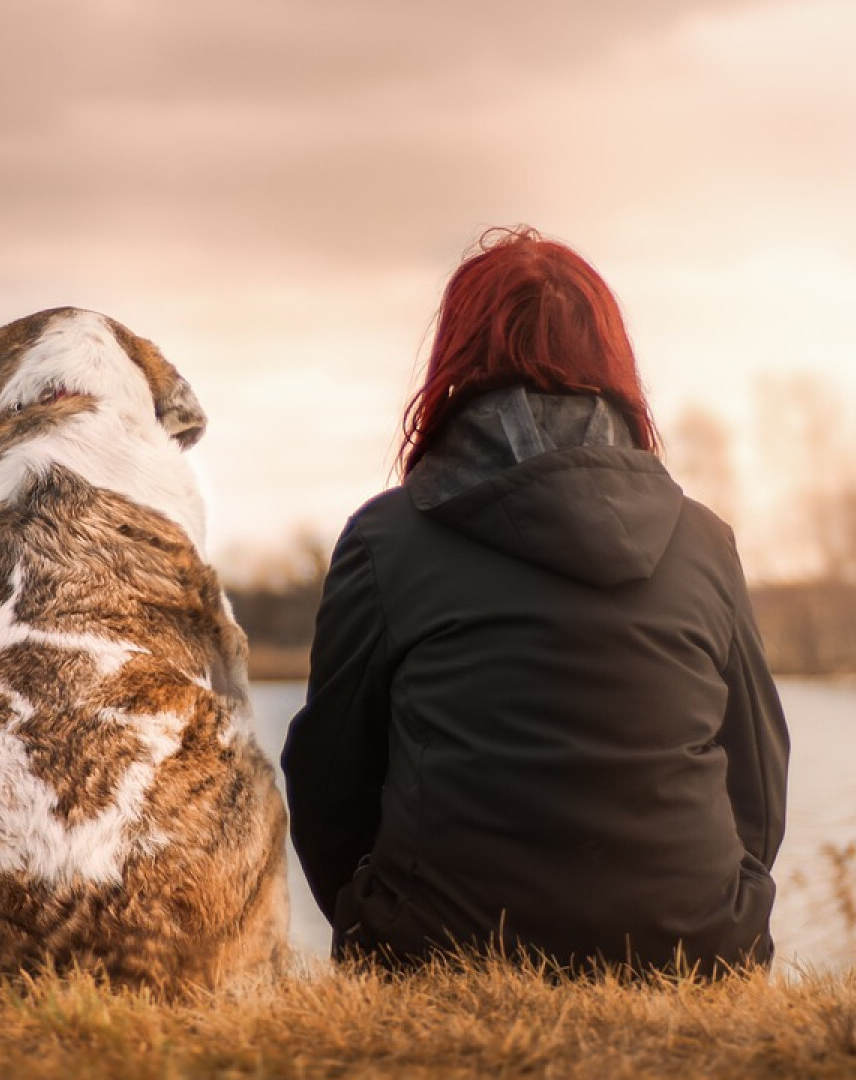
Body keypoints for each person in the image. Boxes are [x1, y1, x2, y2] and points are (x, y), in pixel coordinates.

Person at [280, 227, 789, 977]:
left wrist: (376, 918)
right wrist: (719, 907)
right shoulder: (705, 542)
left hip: (437, 952)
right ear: (613, 364)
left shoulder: (385, 541)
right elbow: (759, 779)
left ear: (456, 361)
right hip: (695, 952)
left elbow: (328, 783)